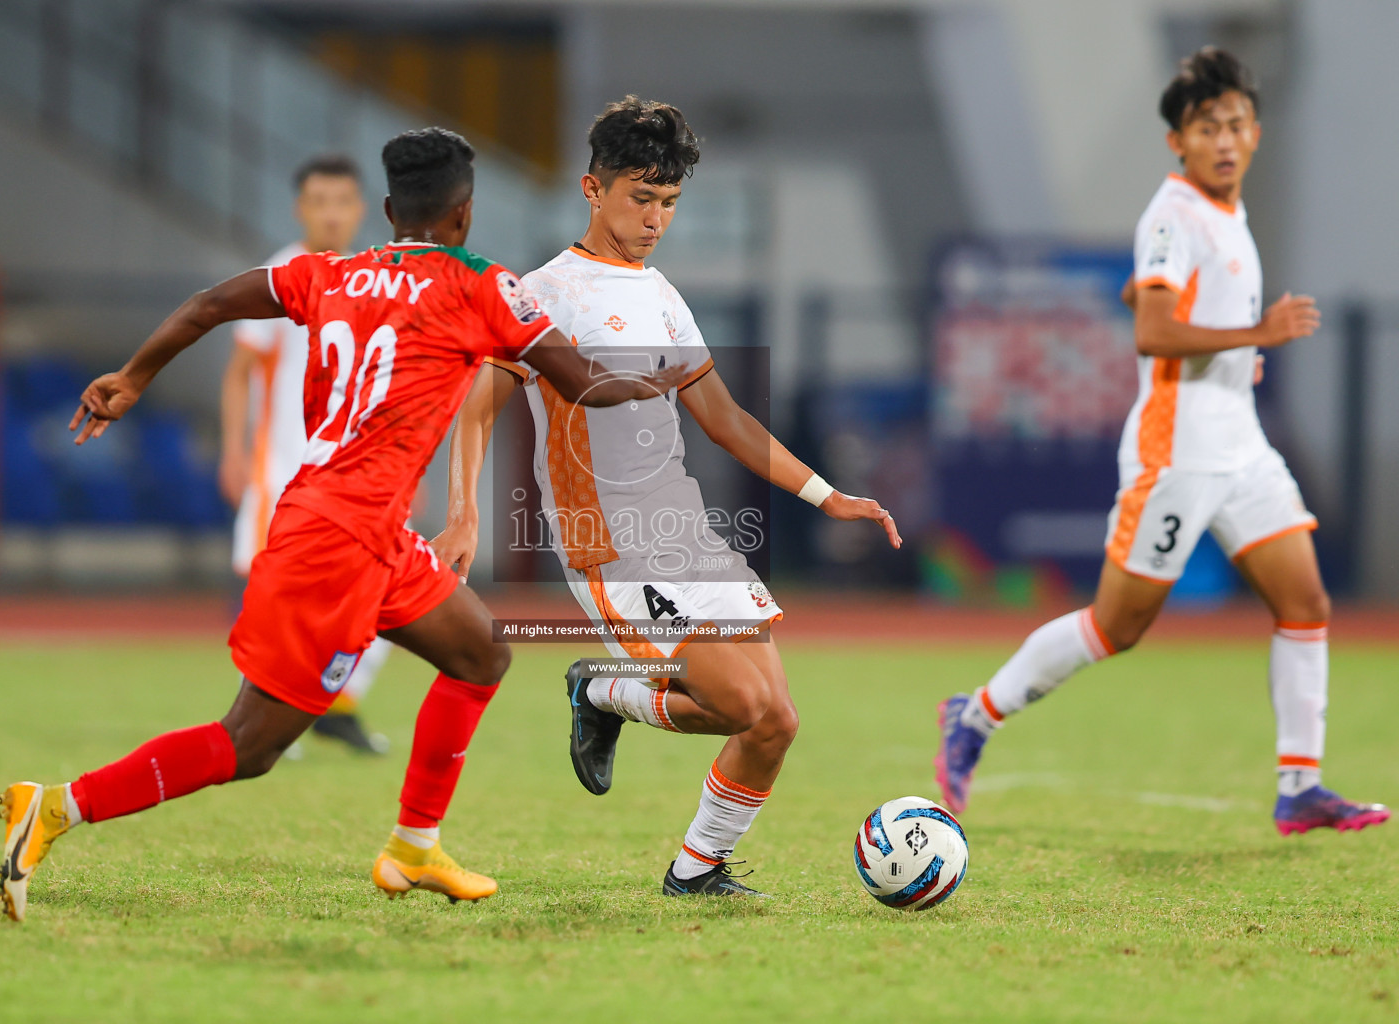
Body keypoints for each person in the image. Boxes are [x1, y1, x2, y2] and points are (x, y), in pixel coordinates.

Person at [0, 127, 687, 922]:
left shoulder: (328, 272)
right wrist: (666, 375)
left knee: (478, 653)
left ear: (390, 209)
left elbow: (209, 305)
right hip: (339, 541)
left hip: (358, 523)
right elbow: (584, 382)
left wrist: (132, 376)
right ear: (463, 214)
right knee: (251, 745)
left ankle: (412, 849)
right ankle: (53, 808)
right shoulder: (482, 284)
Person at [433, 97, 901, 897]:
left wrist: (828, 496)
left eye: (670, 203)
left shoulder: (661, 294)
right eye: (640, 199)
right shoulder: (541, 292)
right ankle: (603, 689)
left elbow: (722, 417)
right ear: (592, 188)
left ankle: (697, 869)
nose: (656, 219)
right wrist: (465, 513)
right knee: (734, 702)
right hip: (609, 542)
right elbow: (476, 407)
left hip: (685, 530)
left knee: (775, 722)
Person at [934, 48, 1388, 837]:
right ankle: (974, 715)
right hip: (1175, 452)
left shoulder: (1230, 214)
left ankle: (1300, 785)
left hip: (1241, 448)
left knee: (1305, 602)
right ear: (1177, 140)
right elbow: (1151, 330)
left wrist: (1240, 356)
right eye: (1205, 126)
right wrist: (1259, 333)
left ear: (1256, 133)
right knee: (1119, 626)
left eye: (1237, 123)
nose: (1224, 138)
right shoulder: (1172, 215)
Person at [219, 153, 389, 755]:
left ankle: (338, 705)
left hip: (354, 467)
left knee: (382, 584)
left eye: (343, 201)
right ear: (301, 208)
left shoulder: (375, 276)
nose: (332, 213)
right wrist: (234, 450)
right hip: (284, 465)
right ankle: (264, 719)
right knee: (278, 595)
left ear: (361, 208)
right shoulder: (280, 272)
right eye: (319, 201)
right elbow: (240, 371)